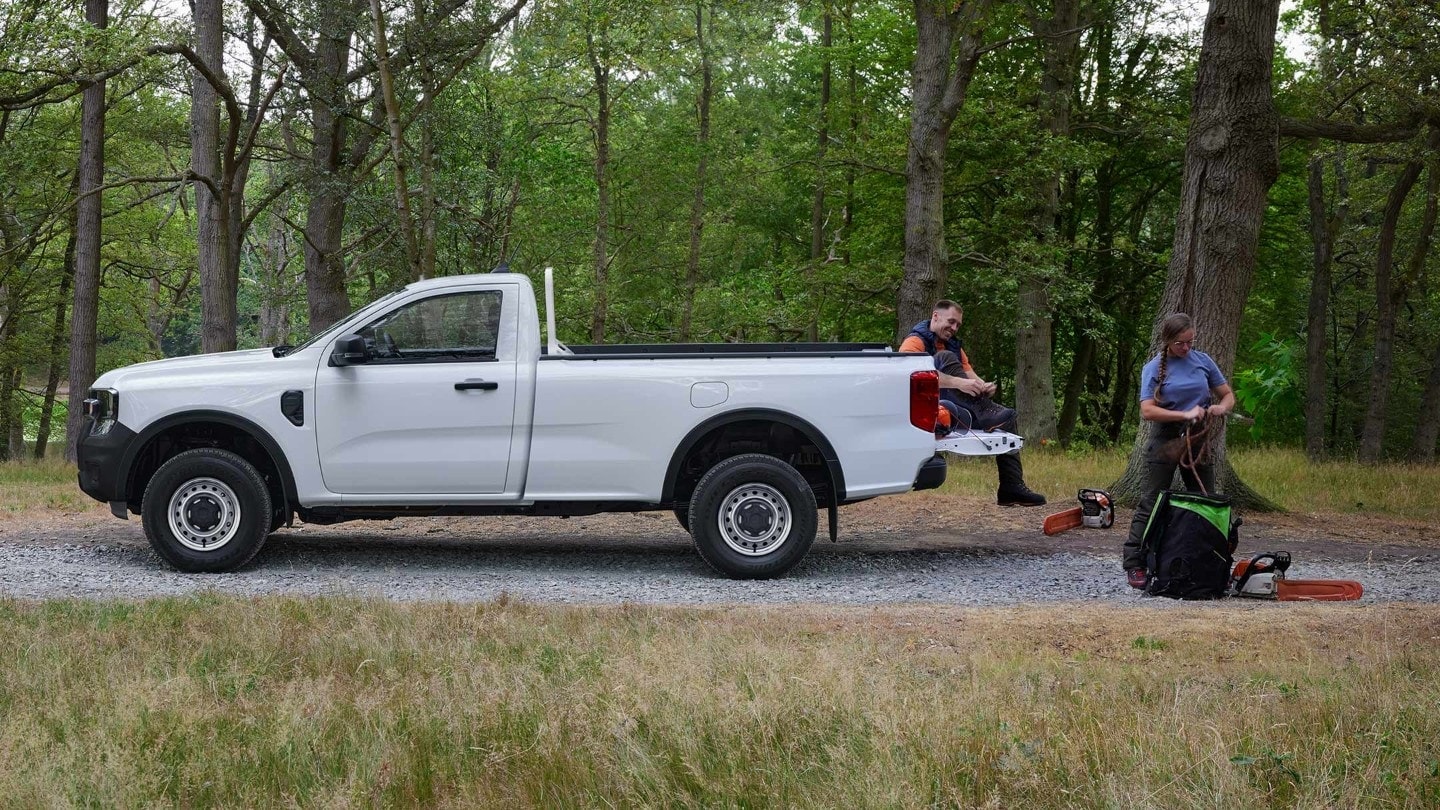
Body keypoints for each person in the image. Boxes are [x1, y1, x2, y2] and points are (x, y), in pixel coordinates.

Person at [1122, 312, 1236, 588]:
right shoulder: (1153, 367)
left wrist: (1222, 407)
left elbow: (1228, 394)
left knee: (1205, 499)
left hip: (1198, 438)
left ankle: (1210, 559)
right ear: (1168, 342)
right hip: (1166, 438)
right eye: (1180, 344)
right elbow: (1147, 411)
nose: (1186, 348)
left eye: (1189, 342)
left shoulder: (1203, 361)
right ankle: (1134, 562)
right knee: (1152, 500)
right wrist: (1184, 415)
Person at [900, 300, 1047, 507]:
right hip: (927, 413)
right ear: (935, 316)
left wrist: (983, 386)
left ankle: (1011, 487)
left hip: (955, 410)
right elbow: (910, 374)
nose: (954, 328)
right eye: (951, 322)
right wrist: (958, 383)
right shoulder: (915, 342)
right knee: (944, 357)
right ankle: (984, 410)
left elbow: (971, 377)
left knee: (1006, 419)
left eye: (958, 325)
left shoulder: (955, 346)